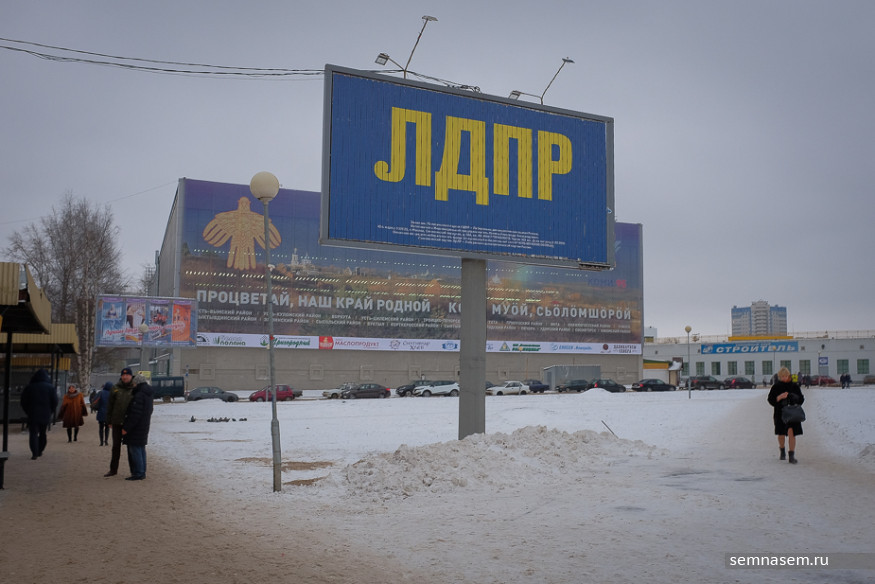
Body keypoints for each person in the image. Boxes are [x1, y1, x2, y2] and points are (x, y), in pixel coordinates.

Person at [767, 366, 805, 464]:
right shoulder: (776, 387)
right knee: (781, 433)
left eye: (786, 376)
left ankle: (791, 455)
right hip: (780, 413)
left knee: (792, 432)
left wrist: (793, 397)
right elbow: (770, 400)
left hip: (793, 413)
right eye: (782, 376)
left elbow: (801, 399)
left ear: (788, 375)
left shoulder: (794, 386)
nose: (784, 378)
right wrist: (779, 398)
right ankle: (782, 450)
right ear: (779, 377)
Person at [20, 369, 59, 460]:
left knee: (33, 433)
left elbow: (23, 401)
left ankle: (34, 453)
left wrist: (28, 411)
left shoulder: (29, 387)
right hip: (45, 414)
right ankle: (40, 450)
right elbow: (55, 401)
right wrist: (50, 411)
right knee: (42, 433)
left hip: (33, 414)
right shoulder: (50, 387)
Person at [104, 367, 136, 477]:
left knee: (131, 447)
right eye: (123, 375)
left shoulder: (135, 388)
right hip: (117, 421)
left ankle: (134, 471)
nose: (125, 377)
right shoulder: (115, 388)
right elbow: (110, 406)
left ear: (131, 376)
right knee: (116, 447)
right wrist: (109, 420)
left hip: (129, 423)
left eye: (127, 375)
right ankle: (113, 470)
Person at [122, 381, 154, 480]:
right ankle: (142, 471)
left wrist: (126, 428)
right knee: (141, 449)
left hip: (136, 427)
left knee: (135, 449)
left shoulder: (139, 395)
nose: (133, 385)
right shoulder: (148, 394)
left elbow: (135, 414)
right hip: (144, 425)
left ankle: (138, 473)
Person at [94, 381, 113, 446]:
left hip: (101, 412)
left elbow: (94, 400)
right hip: (109, 414)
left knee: (101, 428)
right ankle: (106, 441)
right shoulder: (112, 394)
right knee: (107, 428)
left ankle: (101, 442)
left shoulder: (101, 393)